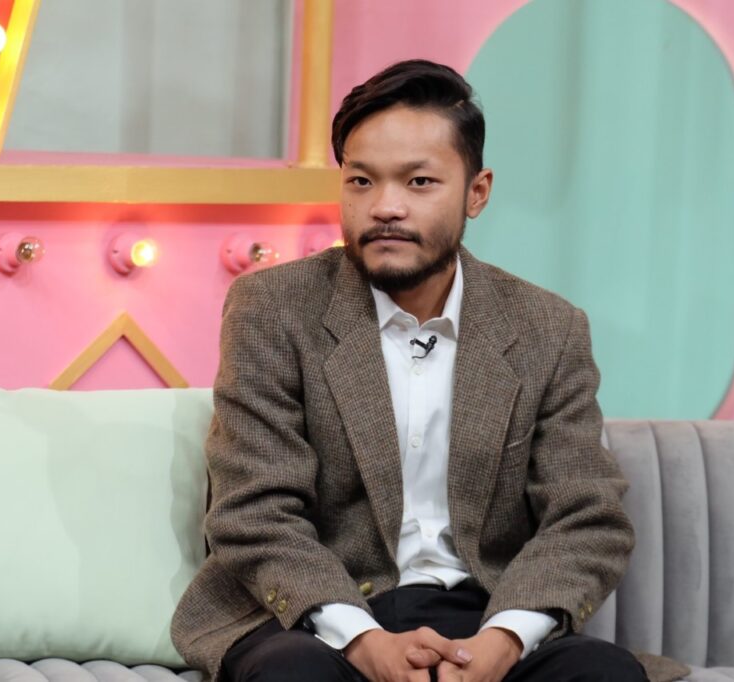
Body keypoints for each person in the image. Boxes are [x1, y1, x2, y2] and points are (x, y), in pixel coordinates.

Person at [172, 59, 646, 682]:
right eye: (361, 181)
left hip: (484, 615)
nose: (385, 207)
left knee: (605, 674)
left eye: (419, 182)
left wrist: (503, 642)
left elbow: (586, 518)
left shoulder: (547, 329)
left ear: (477, 192)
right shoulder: (274, 308)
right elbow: (255, 511)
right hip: (313, 619)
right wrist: (365, 641)